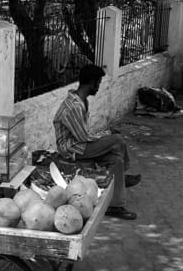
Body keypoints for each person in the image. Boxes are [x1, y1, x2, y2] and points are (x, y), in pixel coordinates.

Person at [53, 64, 141, 220]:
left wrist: (104, 136)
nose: (99, 87)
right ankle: (124, 176)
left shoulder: (82, 101)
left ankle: (115, 206)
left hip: (80, 145)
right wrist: (107, 134)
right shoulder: (73, 106)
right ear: (92, 83)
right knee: (117, 139)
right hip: (72, 149)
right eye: (98, 83)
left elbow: (85, 135)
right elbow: (83, 137)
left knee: (116, 160)